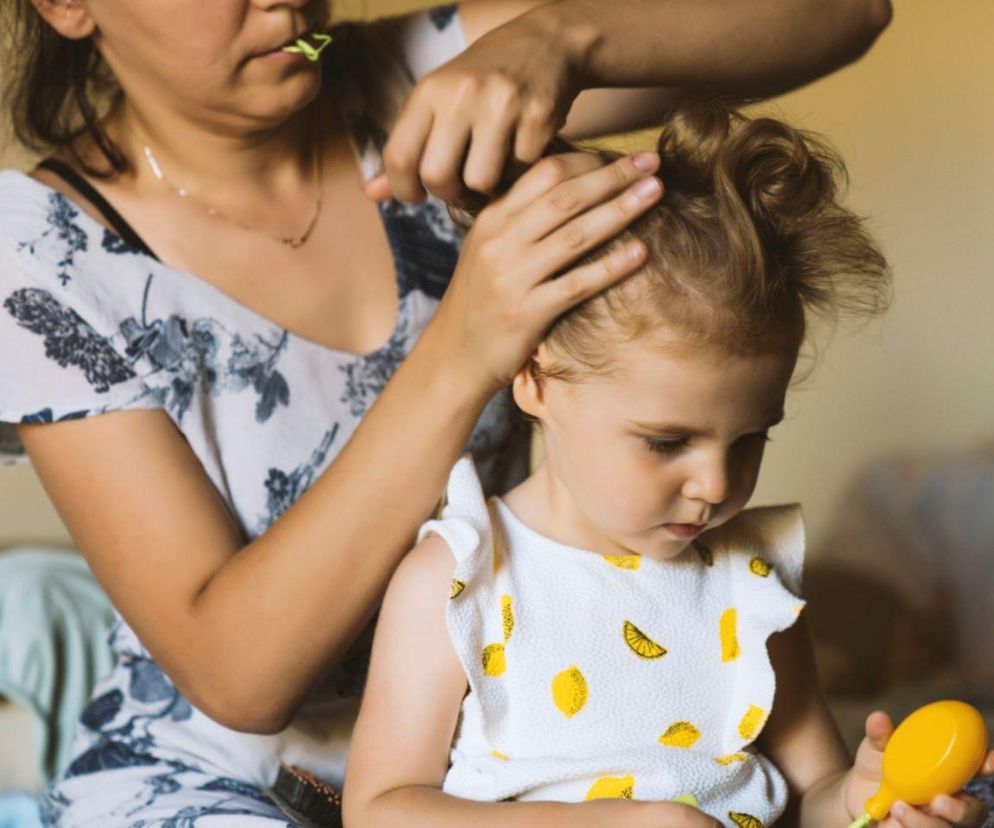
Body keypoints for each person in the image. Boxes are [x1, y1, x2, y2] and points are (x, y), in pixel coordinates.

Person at [0, 0, 893, 822]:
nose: (290, 4)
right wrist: (461, 352)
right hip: (219, 778)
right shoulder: (37, 252)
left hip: (528, 753)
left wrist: (566, 37)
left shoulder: (420, 75)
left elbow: (849, 11)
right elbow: (237, 676)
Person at [343, 102, 994, 828]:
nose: (717, 486)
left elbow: (810, 795)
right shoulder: (462, 576)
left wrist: (864, 798)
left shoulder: (749, 581)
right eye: (665, 441)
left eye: (749, 440)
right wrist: (621, 823)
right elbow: (381, 810)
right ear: (536, 379)